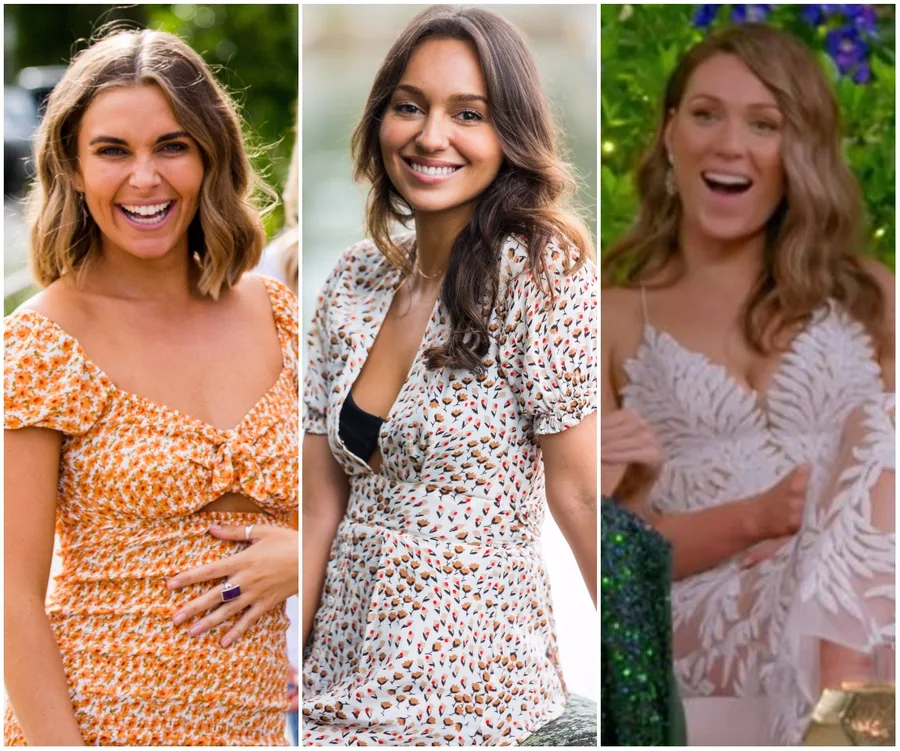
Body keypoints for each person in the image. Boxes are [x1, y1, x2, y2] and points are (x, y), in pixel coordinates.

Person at [302, 5, 597, 746]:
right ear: (381, 121)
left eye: (469, 113)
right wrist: (284, 672)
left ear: (511, 136)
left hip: (470, 679)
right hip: (337, 664)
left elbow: (582, 493)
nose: (431, 136)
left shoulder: (540, 277)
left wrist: (651, 679)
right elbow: (316, 506)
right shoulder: (352, 282)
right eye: (410, 106)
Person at [601, 24, 894, 745]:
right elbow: (607, 555)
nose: (730, 144)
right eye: (706, 114)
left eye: (764, 124)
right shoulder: (609, 315)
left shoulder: (873, 297)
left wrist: (827, 527)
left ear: (798, 153)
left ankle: (843, 720)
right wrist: (761, 517)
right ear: (671, 133)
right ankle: (850, 729)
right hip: (705, 605)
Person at [4, 29, 298, 746]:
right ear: (72, 167)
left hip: (259, 728)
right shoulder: (42, 340)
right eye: (113, 151)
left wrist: (305, 554)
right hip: (96, 722)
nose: (145, 179)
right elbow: (11, 595)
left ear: (210, 156)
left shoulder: (276, 311)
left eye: (172, 146)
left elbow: (376, 498)